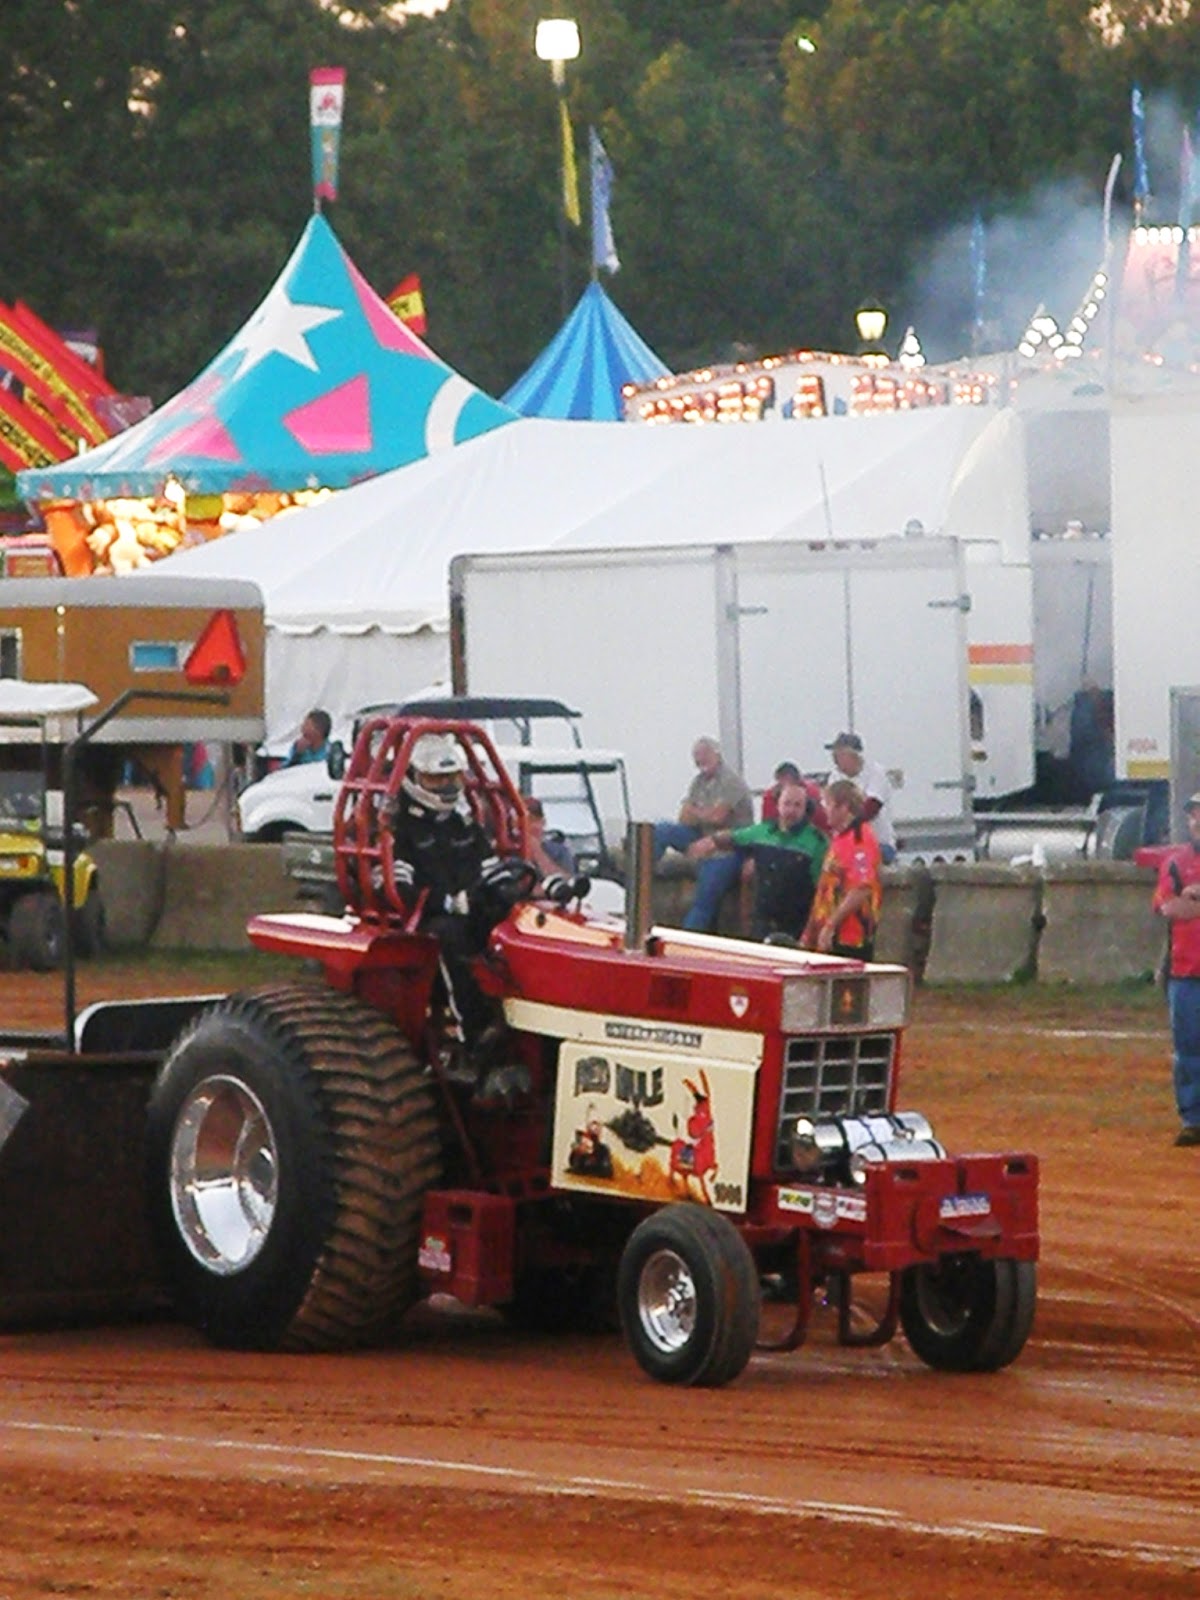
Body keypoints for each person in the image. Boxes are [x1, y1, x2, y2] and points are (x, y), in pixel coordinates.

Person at [385, 732, 533, 1094]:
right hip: (429, 921)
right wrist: (450, 902)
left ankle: (521, 1020)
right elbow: (401, 891)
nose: (448, 786)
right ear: (414, 779)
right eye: (436, 779)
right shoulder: (401, 830)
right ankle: (476, 1034)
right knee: (451, 936)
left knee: (517, 925)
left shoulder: (463, 825)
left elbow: (490, 867)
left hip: (473, 909)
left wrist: (505, 891)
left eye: (452, 777)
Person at [690, 780, 828, 942]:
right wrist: (710, 841)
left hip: (797, 924)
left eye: (798, 805)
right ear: (778, 805)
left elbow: (822, 888)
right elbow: (735, 837)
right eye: (787, 804)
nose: (791, 810)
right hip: (763, 922)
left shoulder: (816, 842)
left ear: (806, 809)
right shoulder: (763, 831)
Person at [653, 736, 754, 932]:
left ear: (716, 754)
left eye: (704, 755)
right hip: (701, 836)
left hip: (729, 847)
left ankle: (688, 937)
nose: (700, 761)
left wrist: (695, 812)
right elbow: (683, 818)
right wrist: (700, 817)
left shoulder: (731, 781)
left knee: (703, 900)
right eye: (696, 757)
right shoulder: (698, 782)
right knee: (662, 828)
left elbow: (718, 817)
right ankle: (648, 872)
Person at [1151, 792, 1200, 1147]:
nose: (1197, 822)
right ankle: (1194, 1120)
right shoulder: (1176, 862)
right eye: (1195, 815)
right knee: (1188, 1049)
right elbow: (1168, 908)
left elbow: (1183, 907)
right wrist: (1187, 901)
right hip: (1185, 972)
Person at [803, 779, 882, 960]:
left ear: (843, 807)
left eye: (828, 804)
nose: (824, 810)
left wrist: (831, 924)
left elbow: (862, 888)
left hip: (850, 937)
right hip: (832, 935)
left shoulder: (859, 840)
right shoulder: (841, 838)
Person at [825, 731, 896, 864]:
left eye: (838, 754)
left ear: (853, 755)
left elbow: (871, 808)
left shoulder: (876, 773)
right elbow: (830, 809)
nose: (834, 760)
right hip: (846, 843)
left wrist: (845, 818)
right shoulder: (835, 777)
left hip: (879, 844)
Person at [526, 795, 575, 878]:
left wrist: (537, 851)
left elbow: (567, 880)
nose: (530, 826)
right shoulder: (510, 852)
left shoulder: (559, 852)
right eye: (526, 822)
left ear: (543, 822)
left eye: (534, 820)